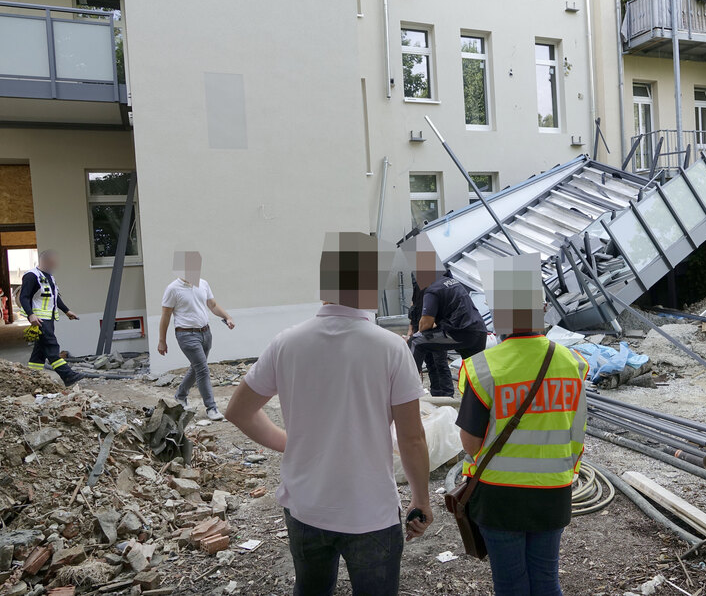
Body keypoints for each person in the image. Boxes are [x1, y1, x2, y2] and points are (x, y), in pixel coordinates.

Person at [225, 232, 432, 596]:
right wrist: (421, 499)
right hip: (371, 513)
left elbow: (238, 411)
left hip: (306, 508)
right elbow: (412, 437)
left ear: (326, 282)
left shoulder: (287, 342)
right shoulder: (391, 349)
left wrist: (291, 444)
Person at [456, 253, 588, 596]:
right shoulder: (572, 363)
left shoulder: (482, 368)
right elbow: (576, 431)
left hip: (499, 498)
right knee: (546, 582)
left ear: (497, 315)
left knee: (511, 585)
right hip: (552, 494)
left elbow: (471, 443)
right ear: (542, 310)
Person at [158, 252, 235, 421]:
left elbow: (212, 305)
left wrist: (227, 317)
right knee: (202, 369)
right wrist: (162, 340)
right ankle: (211, 408)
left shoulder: (203, 284)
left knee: (197, 367)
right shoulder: (173, 289)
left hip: (205, 333)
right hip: (186, 335)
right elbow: (166, 316)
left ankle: (180, 395)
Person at [19, 250, 85, 384]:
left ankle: (33, 378)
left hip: (49, 319)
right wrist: (31, 315)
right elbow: (23, 297)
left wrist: (66, 311)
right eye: (53, 262)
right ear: (45, 261)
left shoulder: (50, 277)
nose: (55, 264)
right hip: (38, 319)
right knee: (51, 346)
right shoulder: (32, 276)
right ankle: (68, 376)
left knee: (39, 351)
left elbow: (55, 298)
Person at [406, 274, 449, 397]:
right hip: (420, 322)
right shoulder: (415, 273)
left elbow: (445, 295)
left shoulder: (440, 271)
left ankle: (447, 396)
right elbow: (414, 300)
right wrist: (411, 326)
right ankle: (436, 394)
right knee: (429, 362)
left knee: (440, 361)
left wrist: (437, 321)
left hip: (434, 324)